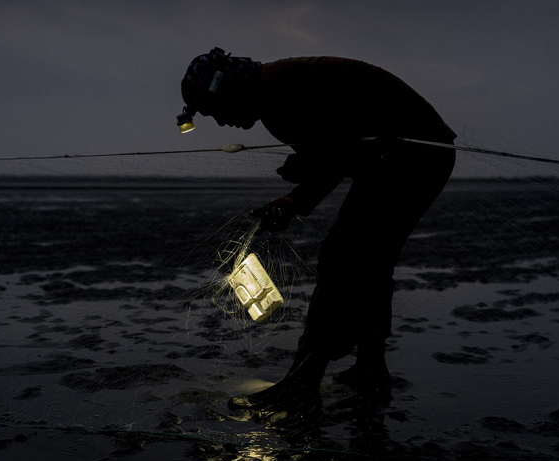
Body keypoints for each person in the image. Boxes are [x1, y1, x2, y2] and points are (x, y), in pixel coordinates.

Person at [177, 48, 456, 414]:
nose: (223, 122)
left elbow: (341, 157)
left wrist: (306, 166)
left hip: (412, 153)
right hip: (411, 154)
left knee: (341, 256)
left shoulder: (278, 94)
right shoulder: (274, 91)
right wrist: (294, 201)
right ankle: (371, 369)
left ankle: (302, 385)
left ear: (227, 89)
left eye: (216, 111)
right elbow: (340, 154)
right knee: (373, 261)